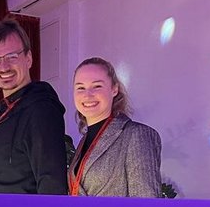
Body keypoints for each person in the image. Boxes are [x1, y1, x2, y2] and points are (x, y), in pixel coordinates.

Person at [0, 18, 68, 194]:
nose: (4, 67)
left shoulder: (41, 110)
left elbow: (52, 183)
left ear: (28, 58)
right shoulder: (1, 110)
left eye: (12, 57)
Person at [69, 57, 163, 197]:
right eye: (80, 88)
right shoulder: (84, 141)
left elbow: (145, 202)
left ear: (114, 89)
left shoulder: (136, 135)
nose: (88, 95)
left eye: (97, 86)